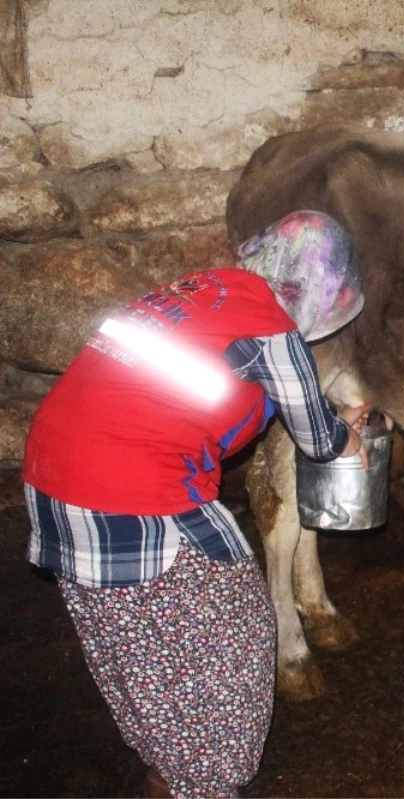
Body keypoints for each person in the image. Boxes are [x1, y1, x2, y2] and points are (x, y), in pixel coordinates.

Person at [22, 210, 368, 798]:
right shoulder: (271, 325)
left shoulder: (201, 289)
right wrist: (347, 433)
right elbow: (319, 441)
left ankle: (163, 769)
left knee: (140, 650)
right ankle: (206, 781)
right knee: (233, 639)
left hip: (54, 485)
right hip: (135, 499)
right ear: (313, 286)